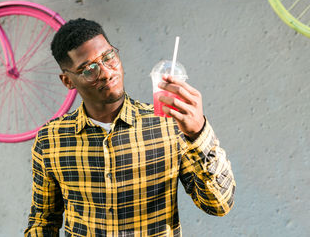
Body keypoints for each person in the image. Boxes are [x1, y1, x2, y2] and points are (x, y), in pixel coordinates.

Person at [24, 18, 235, 237]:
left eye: (109, 58)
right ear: (68, 81)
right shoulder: (50, 140)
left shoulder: (169, 126)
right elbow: (43, 221)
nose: (106, 73)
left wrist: (198, 133)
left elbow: (219, 205)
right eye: (89, 70)